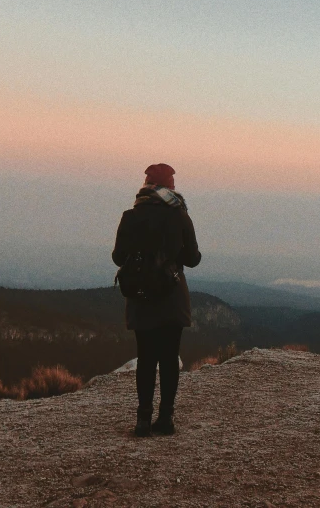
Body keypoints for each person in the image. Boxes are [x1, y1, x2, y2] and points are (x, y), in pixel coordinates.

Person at [112, 163, 201, 437]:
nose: (175, 186)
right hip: (171, 296)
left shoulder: (130, 215)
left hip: (140, 298)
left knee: (146, 358)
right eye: (172, 182)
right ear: (167, 186)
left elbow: (117, 257)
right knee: (169, 357)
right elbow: (193, 258)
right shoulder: (179, 215)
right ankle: (165, 420)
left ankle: (142, 421)